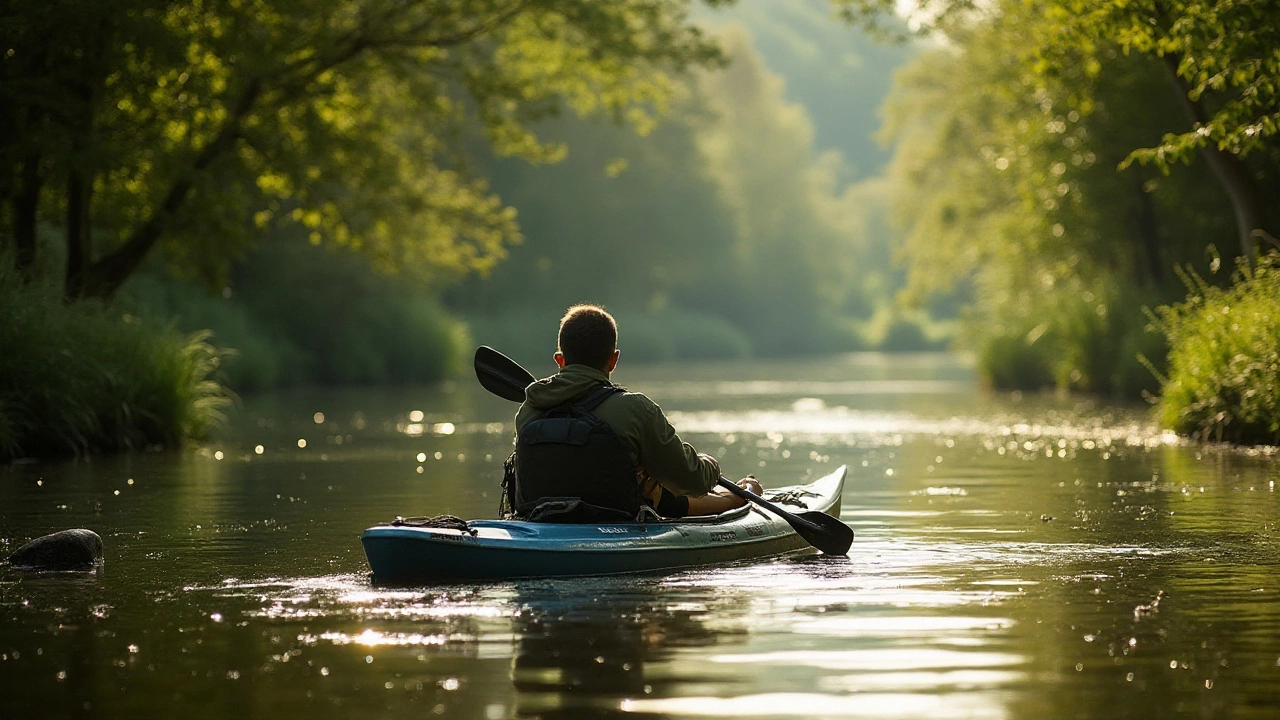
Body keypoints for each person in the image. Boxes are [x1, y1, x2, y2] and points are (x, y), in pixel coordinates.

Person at [509, 304, 762, 521]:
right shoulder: (635, 409)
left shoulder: (530, 410)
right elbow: (691, 480)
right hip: (617, 522)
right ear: (613, 360)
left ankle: (732, 497)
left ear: (559, 360)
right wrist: (710, 464)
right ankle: (736, 497)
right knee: (656, 487)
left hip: (540, 522)